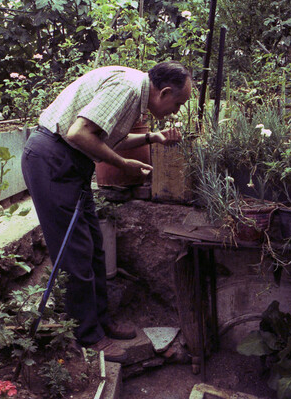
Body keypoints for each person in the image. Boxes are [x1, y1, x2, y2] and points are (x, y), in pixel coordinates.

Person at [21, 61, 192, 362]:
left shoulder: (133, 92)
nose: (175, 111)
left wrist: (152, 137)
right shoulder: (125, 87)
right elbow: (78, 133)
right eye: (177, 104)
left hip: (69, 162)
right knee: (76, 251)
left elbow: (109, 137)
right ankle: (88, 336)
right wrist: (123, 164)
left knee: (94, 248)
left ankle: (100, 321)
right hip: (53, 160)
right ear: (164, 92)